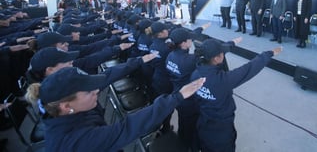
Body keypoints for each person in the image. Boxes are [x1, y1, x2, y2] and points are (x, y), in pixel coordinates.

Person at [25, 67, 205, 151]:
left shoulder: (65, 111)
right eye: (89, 91)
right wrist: (177, 97)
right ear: (66, 106)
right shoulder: (74, 141)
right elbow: (127, 127)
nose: (96, 91)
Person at [191, 38, 282, 152]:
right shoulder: (222, 80)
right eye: (221, 53)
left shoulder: (195, 74)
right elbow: (248, 69)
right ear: (217, 58)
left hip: (203, 124)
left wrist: (232, 43)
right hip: (222, 131)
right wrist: (269, 54)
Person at [165, 23, 210, 150]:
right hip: (190, 101)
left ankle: (182, 142)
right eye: (189, 39)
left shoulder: (170, 55)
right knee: (192, 129)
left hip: (177, 96)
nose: (192, 40)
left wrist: (201, 28)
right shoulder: (190, 60)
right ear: (184, 44)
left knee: (183, 123)